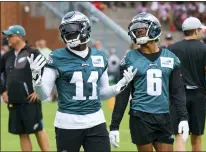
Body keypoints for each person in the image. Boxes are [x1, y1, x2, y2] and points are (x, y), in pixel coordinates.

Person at [27, 11, 137, 152]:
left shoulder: (100, 57)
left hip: (96, 121)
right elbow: (43, 95)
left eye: (72, 30)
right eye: (66, 31)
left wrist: (118, 86)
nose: (69, 35)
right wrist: (36, 78)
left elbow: (102, 93)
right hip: (68, 123)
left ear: (84, 29)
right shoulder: (56, 57)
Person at [109, 12, 189, 152]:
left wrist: (183, 117)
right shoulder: (129, 59)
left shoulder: (171, 58)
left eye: (141, 30)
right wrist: (114, 126)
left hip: (164, 116)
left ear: (154, 29)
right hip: (140, 116)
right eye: (136, 31)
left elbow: (177, 91)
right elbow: (123, 94)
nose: (138, 33)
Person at [168, 17, 206, 151]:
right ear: (196, 30)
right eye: (200, 30)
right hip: (198, 96)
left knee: (180, 135)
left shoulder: (172, 48)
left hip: (177, 96)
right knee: (196, 138)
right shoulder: (205, 48)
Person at [0, 25, 50, 151]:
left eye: (10, 36)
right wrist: (3, 91)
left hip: (30, 101)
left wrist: (39, 92)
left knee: (38, 130)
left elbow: (48, 72)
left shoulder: (33, 53)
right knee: (21, 133)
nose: (7, 39)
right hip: (13, 102)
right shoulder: (7, 56)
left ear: (20, 36)